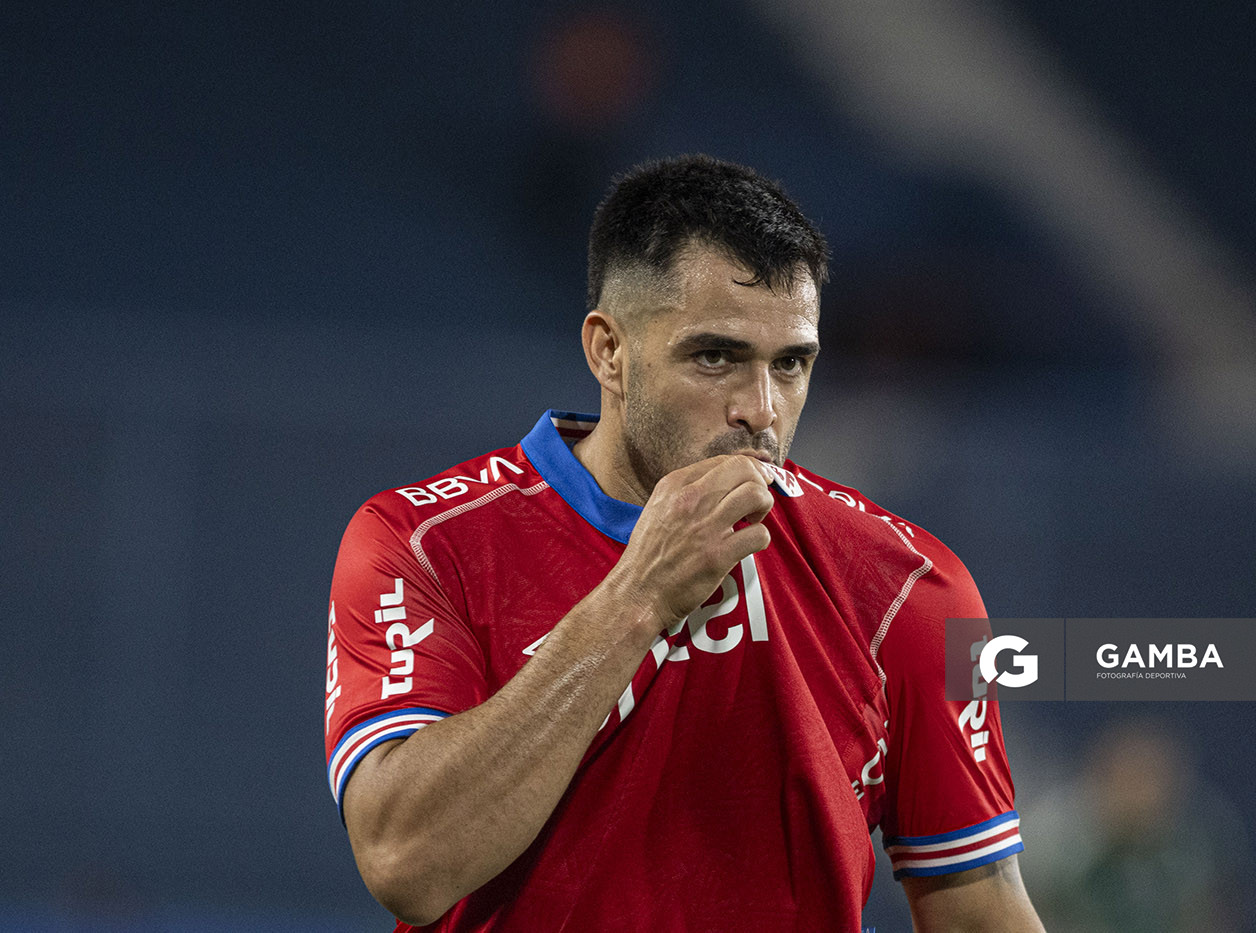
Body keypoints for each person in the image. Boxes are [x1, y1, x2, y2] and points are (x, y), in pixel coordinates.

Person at [323, 154, 1044, 932]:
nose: (760, 409)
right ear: (609, 351)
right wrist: (639, 595)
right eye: (715, 357)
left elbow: (980, 912)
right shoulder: (423, 542)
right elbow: (404, 861)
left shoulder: (904, 585)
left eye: (791, 364)